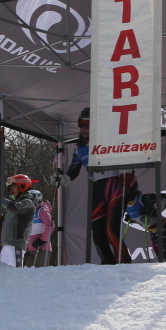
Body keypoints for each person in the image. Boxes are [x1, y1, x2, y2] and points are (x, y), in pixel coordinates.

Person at [66, 107, 136, 264]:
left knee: (111, 230)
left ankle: (124, 263)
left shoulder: (109, 140)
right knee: (97, 231)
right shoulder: (79, 148)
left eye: (88, 124)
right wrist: (64, 178)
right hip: (97, 188)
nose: (84, 128)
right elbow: (73, 170)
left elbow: (129, 157)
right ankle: (107, 264)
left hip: (114, 185)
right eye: (81, 124)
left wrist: (129, 178)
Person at [0, 174, 42, 267]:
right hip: (6, 244)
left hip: (16, 245)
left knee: (16, 272)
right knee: (3, 273)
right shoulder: (17, 203)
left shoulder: (28, 203)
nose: (11, 190)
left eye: (13, 187)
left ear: (22, 186)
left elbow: (14, 207)